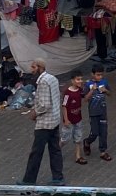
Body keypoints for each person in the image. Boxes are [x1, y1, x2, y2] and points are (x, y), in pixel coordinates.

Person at [21, 58, 65, 186]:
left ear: (40, 67)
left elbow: (44, 105)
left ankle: (29, 179)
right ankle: (58, 177)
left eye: (34, 67)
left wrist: (34, 112)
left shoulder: (43, 82)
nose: (32, 70)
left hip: (45, 123)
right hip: (55, 119)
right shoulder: (52, 78)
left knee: (36, 152)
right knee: (55, 150)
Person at [84, 65, 111, 161]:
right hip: (93, 112)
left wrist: (105, 90)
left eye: (101, 75)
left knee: (103, 132)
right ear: (92, 74)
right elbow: (85, 99)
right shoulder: (88, 84)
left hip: (102, 111)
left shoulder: (104, 82)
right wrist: (92, 90)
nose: (100, 77)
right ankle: (87, 142)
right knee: (94, 132)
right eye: (98, 75)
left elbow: (110, 93)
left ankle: (103, 152)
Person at [63, 70, 88, 165]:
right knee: (65, 139)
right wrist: (66, 119)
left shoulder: (80, 90)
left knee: (78, 138)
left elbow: (85, 98)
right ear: (72, 80)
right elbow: (64, 106)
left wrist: (92, 90)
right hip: (69, 121)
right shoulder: (67, 93)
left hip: (78, 119)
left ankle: (78, 156)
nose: (80, 81)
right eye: (78, 79)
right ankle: (56, 150)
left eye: (81, 79)